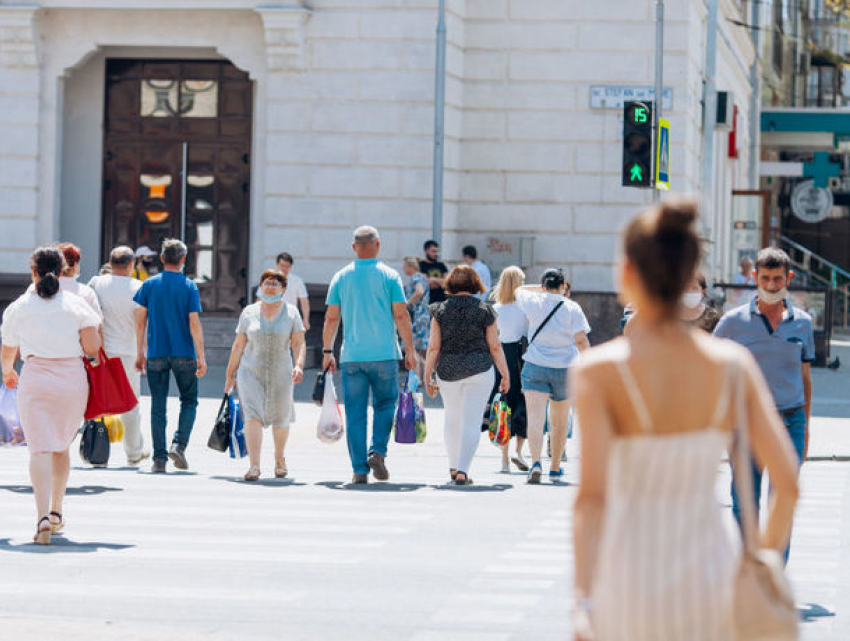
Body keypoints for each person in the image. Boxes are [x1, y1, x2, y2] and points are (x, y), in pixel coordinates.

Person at [571, 200, 800, 641]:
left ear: (627, 274)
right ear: (692, 276)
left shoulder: (598, 372)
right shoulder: (732, 365)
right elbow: (787, 482)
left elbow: (591, 500)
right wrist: (763, 561)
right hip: (713, 574)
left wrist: (583, 600)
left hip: (626, 578)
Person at [714, 247, 813, 559]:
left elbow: (806, 378)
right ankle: (748, 566)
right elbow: (709, 366)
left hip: (791, 420)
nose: (771, 285)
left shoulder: (803, 324)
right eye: (766, 278)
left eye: (778, 279)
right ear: (755, 277)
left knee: (783, 498)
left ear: (789, 279)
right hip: (747, 423)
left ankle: (772, 575)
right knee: (744, 500)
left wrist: (807, 428)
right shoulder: (732, 323)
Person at [1, 246, 102, 544]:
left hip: (35, 381)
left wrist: (7, 372)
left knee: (39, 449)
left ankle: (42, 517)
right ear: (62, 271)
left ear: (33, 272)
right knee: (60, 446)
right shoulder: (77, 304)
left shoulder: (19, 307)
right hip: (71, 382)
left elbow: (8, 350)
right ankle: (58, 512)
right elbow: (92, 347)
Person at [322, 226, 417, 484]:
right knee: (386, 404)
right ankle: (378, 451)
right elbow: (401, 314)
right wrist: (410, 349)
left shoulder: (341, 277)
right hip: (385, 354)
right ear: (378, 244)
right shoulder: (390, 276)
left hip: (351, 356)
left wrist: (327, 351)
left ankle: (359, 470)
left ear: (354, 247)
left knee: (355, 412)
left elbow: (332, 317)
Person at [425, 266, 510, 485]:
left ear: (451, 284)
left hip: (448, 370)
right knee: (471, 421)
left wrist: (427, 374)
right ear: (475, 284)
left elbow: (434, 347)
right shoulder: (485, 310)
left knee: (452, 419)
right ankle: (463, 470)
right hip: (480, 369)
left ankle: (453, 467)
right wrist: (505, 373)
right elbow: (495, 346)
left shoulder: (440, 310)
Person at [133, 239, 207, 473]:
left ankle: (159, 459)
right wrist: (201, 356)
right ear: (184, 260)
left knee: (158, 405)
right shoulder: (189, 286)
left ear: (162, 258)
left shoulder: (149, 285)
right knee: (189, 400)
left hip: (156, 352)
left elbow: (140, 322)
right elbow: (194, 323)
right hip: (184, 352)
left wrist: (139, 352)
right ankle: (179, 444)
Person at [225, 270, 306, 481]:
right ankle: (254, 466)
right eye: (266, 283)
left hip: (281, 372)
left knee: (281, 417)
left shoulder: (291, 313)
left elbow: (298, 343)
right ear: (261, 287)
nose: (270, 287)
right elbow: (238, 345)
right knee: (252, 415)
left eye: (274, 284)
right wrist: (230, 374)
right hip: (250, 371)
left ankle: (279, 458)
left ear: (283, 289)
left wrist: (298, 365)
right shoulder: (249, 312)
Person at [515, 269, 590, 483]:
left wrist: (539, 289)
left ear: (543, 285)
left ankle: (536, 463)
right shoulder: (572, 307)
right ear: (564, 286)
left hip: (535, 366)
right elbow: (581, 341)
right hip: (565, 369)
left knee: (536, 419)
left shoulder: (532, 300)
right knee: (559, 422)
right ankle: (555, 467)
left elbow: (519, 288)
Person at [89, 246, 149, 466]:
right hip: (129, 350)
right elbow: (140, 322)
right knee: (131, 403)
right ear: (132, 265)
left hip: (103, 350)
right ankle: (134, 453)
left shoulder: (96, 283)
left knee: (99, 399)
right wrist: (141, 352)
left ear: (110, 263)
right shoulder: (138, 286)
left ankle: (96, 450)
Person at [489, 266, 529, 473]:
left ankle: (504, 460)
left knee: (503, 405)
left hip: (500, 357)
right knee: (523, 403)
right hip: (521, 355)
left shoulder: (495, 308)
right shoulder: (525, 309)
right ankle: (518, 451)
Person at [625, 271, 721, 335]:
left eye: (694, 288)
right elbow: (630, 331)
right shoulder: (665, 313)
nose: (689, 291)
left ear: (703, 291)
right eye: (684, 288)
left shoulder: (712, 316)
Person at [402, 256, 430, 379]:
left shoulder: (416, 278)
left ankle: (418, 377)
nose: (403, 268)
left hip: (417, 316)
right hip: (424, 315)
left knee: (411, 347)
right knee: (419, 349)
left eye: (404, 265)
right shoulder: (423, 277)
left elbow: (419, 291)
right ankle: (423, 376)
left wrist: (408, 303)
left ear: (410, 266)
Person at [276, 252, 311, 331]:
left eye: (287, 266)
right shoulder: (268, 280)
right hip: (271, 319)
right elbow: (260, 299)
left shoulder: (297, 281)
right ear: (277, 264)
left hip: (290, 319)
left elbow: (304, 301)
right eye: (282, 265)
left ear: (290, 266)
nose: (284, 268)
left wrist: (306, 319)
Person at [420, 239, 449, 304]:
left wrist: (433, 279)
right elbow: (426, 284)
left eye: (437, 251)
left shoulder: (441, 265)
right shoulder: (420, 265)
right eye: (433, 251)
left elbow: (447, 283)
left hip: (441, 302)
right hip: (426, 303)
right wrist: (440, 281)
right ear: (426, 251)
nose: (436, 254)